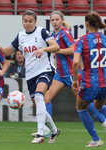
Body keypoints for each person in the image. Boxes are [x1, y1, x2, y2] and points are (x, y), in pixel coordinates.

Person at [30, 11, 106, 137]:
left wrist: (57, 51)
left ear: (62, 20)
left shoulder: (65, 32)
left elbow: (72, 49)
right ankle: (47, 129)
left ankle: (103, 122)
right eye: (52, 20)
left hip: (71, 73)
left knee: (84, 104)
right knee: (45, 99)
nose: (55, 22)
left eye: (57, 19)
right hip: (60, 74)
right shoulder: (55, 34)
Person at [0, 9, 60, 144]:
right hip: (31, 75)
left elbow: (55, 47)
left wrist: (43, 49)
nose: (28, 24)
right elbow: (7, 52)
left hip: (45, 70)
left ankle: (40, 134)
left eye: (30, 21)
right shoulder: (20, 36)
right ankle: (54, 131)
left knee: (39, 96)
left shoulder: (42, 32)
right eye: (25, 21)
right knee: (38, 105)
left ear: (35, 21)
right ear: (22, 22)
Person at [72, 11, 106, 147]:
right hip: (104, 81)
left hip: (90, 82)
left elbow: (75, 62)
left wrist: (75, 80)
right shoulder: (104, 38)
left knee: (80, 107)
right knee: (98, 106)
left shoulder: (82, 40)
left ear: (86, 23)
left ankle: (96, 139)